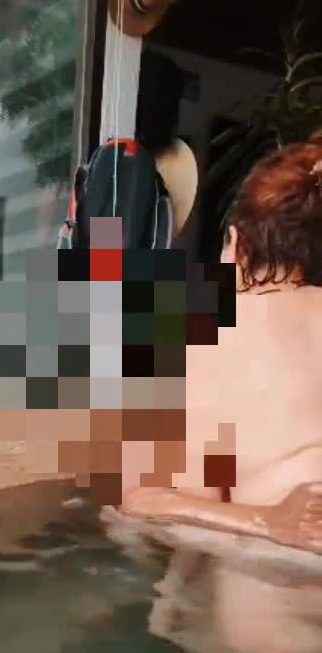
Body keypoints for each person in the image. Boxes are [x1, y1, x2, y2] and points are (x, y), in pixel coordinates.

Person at [118, 138, 322, 554]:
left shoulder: (201, 331)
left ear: (236, 242)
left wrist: (268, 521)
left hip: (283, 574)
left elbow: (145, 500)